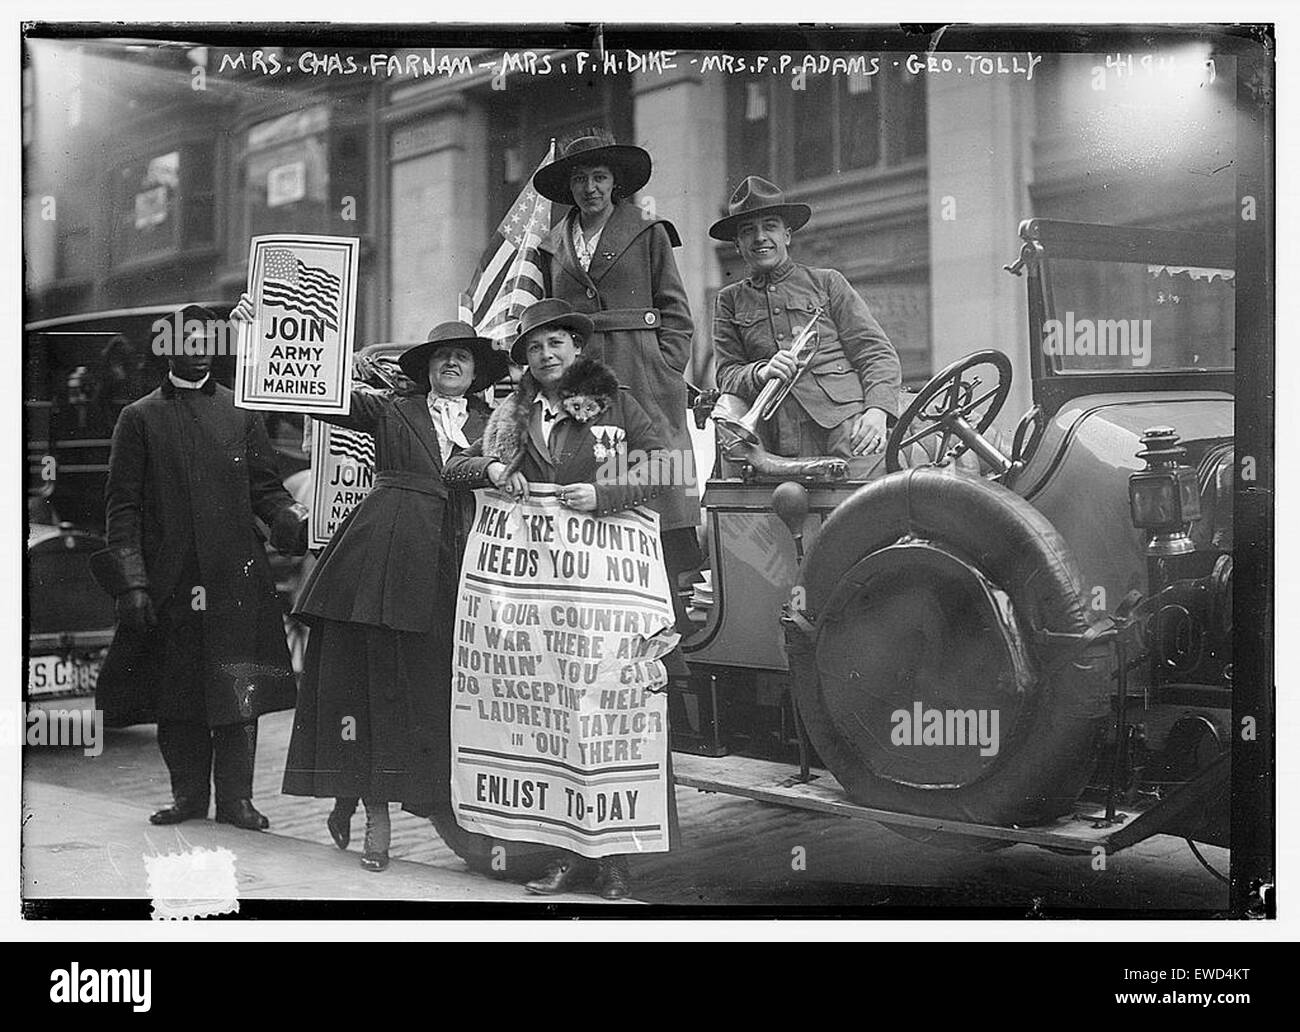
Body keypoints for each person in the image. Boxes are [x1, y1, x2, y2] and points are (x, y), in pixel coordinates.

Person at [245, 299, 511, 872]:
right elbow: (314, 391)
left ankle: (442, 802)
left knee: (433, 689)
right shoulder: (392, 410)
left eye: (461, 357)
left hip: (453, 564)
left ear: (476, 373)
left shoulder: (493, 426)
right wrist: (264, 336)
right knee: (374, 688)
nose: (451, 365)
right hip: (385, 560)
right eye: (441, 357)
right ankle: (375, 814)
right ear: (426, 368)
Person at [444, 299, 670, 900]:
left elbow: (665, 466)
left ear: (577, 349)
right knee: (547, 718)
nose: (547, 355)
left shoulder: (615, 402)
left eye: (557, 344)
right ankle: (563, 854)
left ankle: (616, 862)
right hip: (541, 600)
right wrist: (493, 470)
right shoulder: (509, 415)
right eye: (536, 347)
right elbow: (457, 466)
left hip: (606, 593)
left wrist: (604, 494)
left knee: (606, 710)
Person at [93, 304, 308, 830]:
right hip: (171, 583)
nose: (198, 346)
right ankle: (189, 799)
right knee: (179, 696)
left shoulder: (242, 412)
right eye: (186, 337)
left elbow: (266, 489)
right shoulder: (139, 417)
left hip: (235, 579)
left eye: (207, 336)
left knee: (239, 692)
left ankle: (237, 802)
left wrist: (290, 518)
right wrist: (134, 585)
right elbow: (122, 507)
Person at [532, 128, 702, 634]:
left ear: (616, 183)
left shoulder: (647, 232)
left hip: (642, 371)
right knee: (592, 478)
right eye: (581, 178)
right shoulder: (552, 244)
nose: (590, 188)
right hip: (579, 383)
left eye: (599, 177)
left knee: (655, 477)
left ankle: (673, 633)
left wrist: (664, 367)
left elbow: (677, 313)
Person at [711, 175, 902, 465]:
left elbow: (876, 353)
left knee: (862, 505)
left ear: (786, 235)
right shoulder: (729, 300)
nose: (760, 237)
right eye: (748, 231)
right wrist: (761, 372)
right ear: (737, 244)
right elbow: (727, 374)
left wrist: (877, 411)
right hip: (778, 439)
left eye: (770, 227)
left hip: (847, 426)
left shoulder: (827, 282)